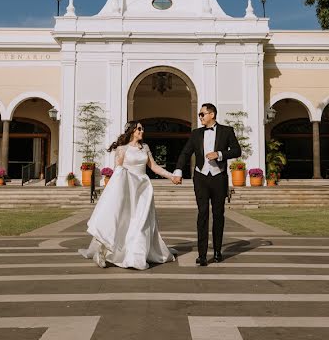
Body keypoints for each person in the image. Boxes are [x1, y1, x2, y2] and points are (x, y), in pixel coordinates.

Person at [79, 121, 177, 269]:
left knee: (142, 221)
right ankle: (103, 251)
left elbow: (154, 166)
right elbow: (118, 170)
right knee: (122, 219)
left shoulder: (145, 147)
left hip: (143, 188)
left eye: (142, 128)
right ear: (131, 131)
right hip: (128, 187)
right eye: (139, 129)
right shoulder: (122, 149)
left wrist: (171, 176)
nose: (142, 131)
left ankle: (137, 255)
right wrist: (114, 192)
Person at [172, 103, 241, 266]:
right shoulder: (196, 134)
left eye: (202, 114)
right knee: (202, 213)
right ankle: (202, 254)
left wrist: (220, 154)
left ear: (212, 114)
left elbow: (237, 150)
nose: (200, 117)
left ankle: (217, 251)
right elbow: (186, 152)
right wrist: (178, 170)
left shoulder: (227, 131)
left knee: (218, 215)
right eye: (199, 115)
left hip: (219, 178)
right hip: (201, 178)